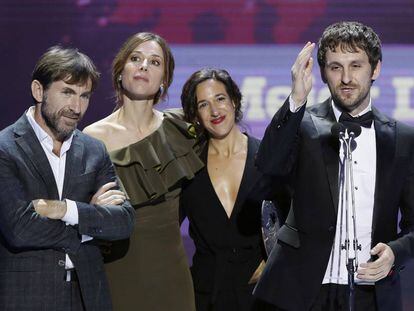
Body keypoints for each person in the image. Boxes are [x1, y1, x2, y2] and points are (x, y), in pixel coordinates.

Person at [253, 21, 414, 311]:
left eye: (356, 66)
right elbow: (267, 170)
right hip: (302, 290)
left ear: (375, 69)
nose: (347, 78)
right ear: (323, 72)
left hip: (372, 291)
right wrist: (296, 101)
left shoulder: (403, 139)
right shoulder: (301, 125)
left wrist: (395, 252)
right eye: (336, 67)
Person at [0, 46, 135, 311]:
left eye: (84, 96)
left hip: (88, 296)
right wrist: (90, 224)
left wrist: (64, 209)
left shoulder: (94, 150)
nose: (76, 107)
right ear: (39, 91)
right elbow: (19, 228)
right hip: (26, 297)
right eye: (67, 92)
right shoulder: (5, 148)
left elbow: (124, 222)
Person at [83, 32, 203, 311]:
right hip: (118, 270)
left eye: (154, 61)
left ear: (164, 80)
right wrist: (91, 208)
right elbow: (79, 211)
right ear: (120, 72)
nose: (143, 66)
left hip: (172, 274)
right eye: (135, 58)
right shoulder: (93, 137)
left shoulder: (181, 127)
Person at [180, 68, 280, 311]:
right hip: (206, 294)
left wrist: (274, 262)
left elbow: (296, 218)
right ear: (196, 115)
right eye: (203, 104)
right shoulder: (187, 167)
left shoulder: (267, 159)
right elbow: (163, 226)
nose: (214, 111)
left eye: (220, 99)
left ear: (234, 101)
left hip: (261, 294)